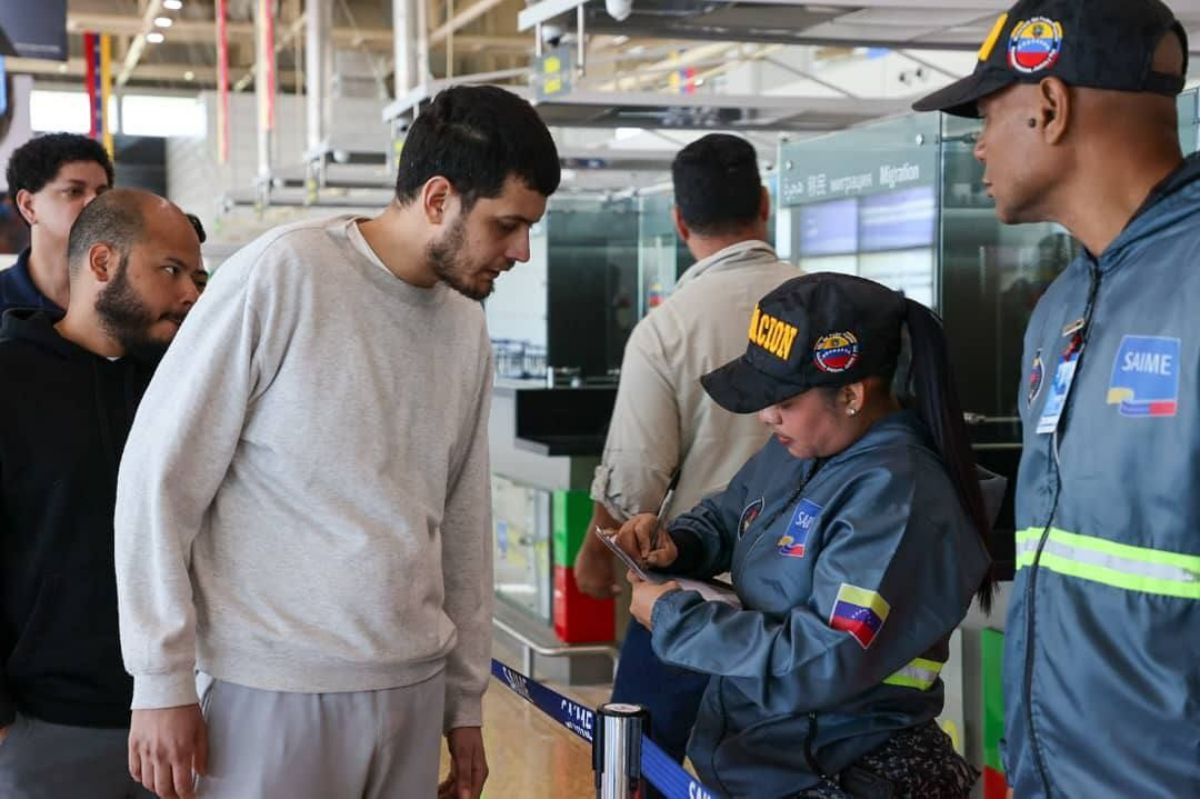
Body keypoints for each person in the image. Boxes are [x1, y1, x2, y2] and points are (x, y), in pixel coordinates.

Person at [114, 85, 560, 799]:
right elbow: (158, 478)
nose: (522, 251)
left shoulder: (464, 325)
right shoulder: (284, 273)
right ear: (439, 197)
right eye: (507, 225)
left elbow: (465, 518)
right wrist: (159, 677)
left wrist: (464, 698)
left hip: (409, 691)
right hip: (271, 690)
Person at [913, 0, 1200, 795]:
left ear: (1050, 106)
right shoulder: (1060, 308)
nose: (977, 145)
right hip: (1056, 770)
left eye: (987, 114)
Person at [613, 273, 997, 798]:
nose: (768, 415)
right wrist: (682, 543)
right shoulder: (806, 448)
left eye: (785, 401)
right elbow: (735, 513)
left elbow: (821, 659)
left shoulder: (897, 496)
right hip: (776, 762)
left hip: (846, 771)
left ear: (852, 394)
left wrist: (675, 620)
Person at [573, 133, 797, 767]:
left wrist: (595, 557)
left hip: (692, 603)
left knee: (639, 766)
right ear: (764, 202)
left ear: (678, 220)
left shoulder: (667, 328)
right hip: (808, 609)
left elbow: (633, 486)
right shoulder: (824, 306)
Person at [0, 188, 203, 798]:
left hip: (181, 717)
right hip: (46, 728)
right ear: (102, 263)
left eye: (197, 275)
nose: (190, 293)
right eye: (171, 271)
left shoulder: (185, 388)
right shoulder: (10, 381)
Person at [0, 133, 114, 316]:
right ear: (29, 206)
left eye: (101, 193)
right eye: (75, 191)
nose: (94, 202)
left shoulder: (124, 297)